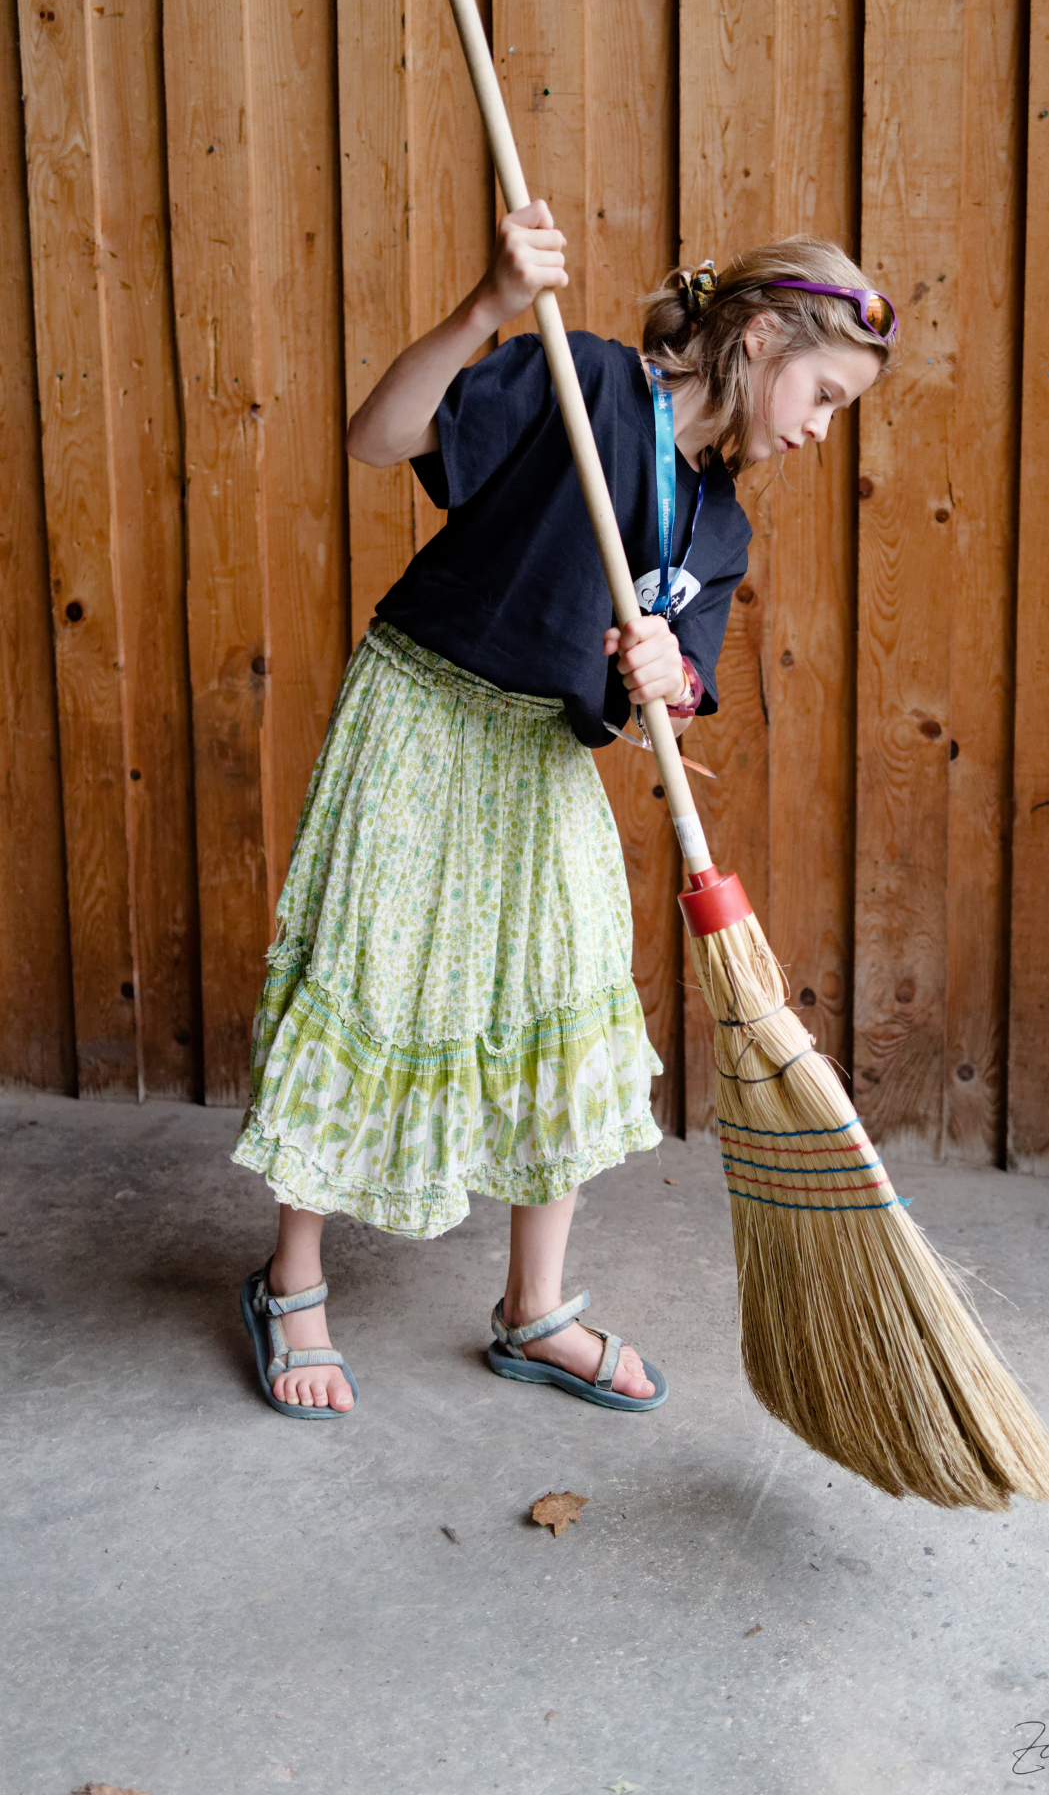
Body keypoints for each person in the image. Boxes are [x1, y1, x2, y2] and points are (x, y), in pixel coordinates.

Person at [233, 203, 896, 1419]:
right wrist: (485, 305)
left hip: (541, 751)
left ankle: (533, 1311)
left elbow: (673, 702)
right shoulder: (583, 377)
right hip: (425, 709)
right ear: (754, 339)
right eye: (824, 396)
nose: (817, 430)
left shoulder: (721, 526)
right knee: (375, 977)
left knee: (570, 995)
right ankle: (293, 1285)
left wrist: (668, 685)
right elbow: (377, 439)